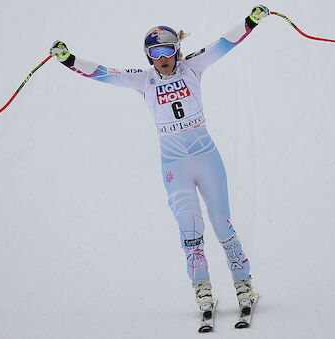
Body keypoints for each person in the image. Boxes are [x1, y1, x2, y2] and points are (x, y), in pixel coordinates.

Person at [50, 5, 270, 313]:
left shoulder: (193, 66)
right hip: (175, 165)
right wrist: (68, 60)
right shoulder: (143, 80)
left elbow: (224, 44)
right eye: (155, 53)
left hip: (206, 158)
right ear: (148, 56)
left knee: (221, 222)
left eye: (168, 50)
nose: (162, 58)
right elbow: (102, 72)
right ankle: (203, 290)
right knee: (190, 227)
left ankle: (242, 283)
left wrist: (251, 21)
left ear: (178, 50)